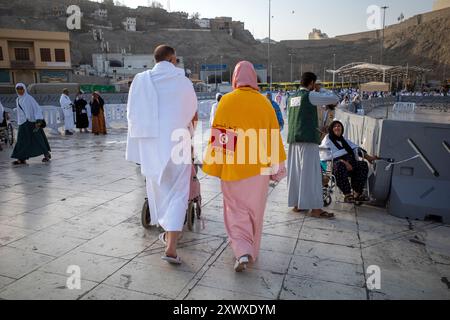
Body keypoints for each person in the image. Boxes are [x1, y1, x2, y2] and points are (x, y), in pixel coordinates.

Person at [202, 61, 287, 272]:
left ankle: (242, 250)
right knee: (255, 211)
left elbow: (221, 138)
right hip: (259, 170)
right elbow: (273, 137)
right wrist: (276, 167)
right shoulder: (264, 103)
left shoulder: (227, 101)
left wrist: (216, 166)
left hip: (233, 168)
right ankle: (251, 250)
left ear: (235, 78)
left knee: (234, 209)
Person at [126, 45, 197, 265]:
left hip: (151, 144)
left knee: (158, 188)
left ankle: (167, 231)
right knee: (178, 193)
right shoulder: (183, 82)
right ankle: (171, 247)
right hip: (177, 142)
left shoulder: (140, 80)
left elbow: (132, 113)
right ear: (173, 59)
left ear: (155, 59)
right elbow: (192, 113)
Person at [287, 72, 338, 218]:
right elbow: (334, 99)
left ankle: (298, 204)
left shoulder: (291, 97)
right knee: (312, 175)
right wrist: (319, 89)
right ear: (312, 83)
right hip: (308, 141)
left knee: (296, 174)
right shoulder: (310, 95)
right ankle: (316, 209)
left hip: (293, 141)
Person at [320, 120, 378, 203]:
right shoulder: (328, 141)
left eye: (339, 126)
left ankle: (357, 193)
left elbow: (355, 149)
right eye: (335, 126)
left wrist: (369, 158)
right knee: (340, 165)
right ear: (331, 129)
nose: (337, 127)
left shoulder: (345, 141)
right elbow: (326, 155)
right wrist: (344, 162)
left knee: (363, 165)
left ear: (342, 129)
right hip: (334, 165)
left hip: (349, 163)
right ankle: (347, 194)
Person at [11, 83, 51, 165]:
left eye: (21, 89)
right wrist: (19, 121)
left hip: (32, 122)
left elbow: (37, 109)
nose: (20, 91)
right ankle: (21, 158)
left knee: (38, 139)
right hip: (23, 123)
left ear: (24, 89)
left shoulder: (29, 98)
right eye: (18, 89)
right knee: (21, 141)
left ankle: (46, 154)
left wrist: (39, 120)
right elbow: (19, 112)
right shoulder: (18, 99)